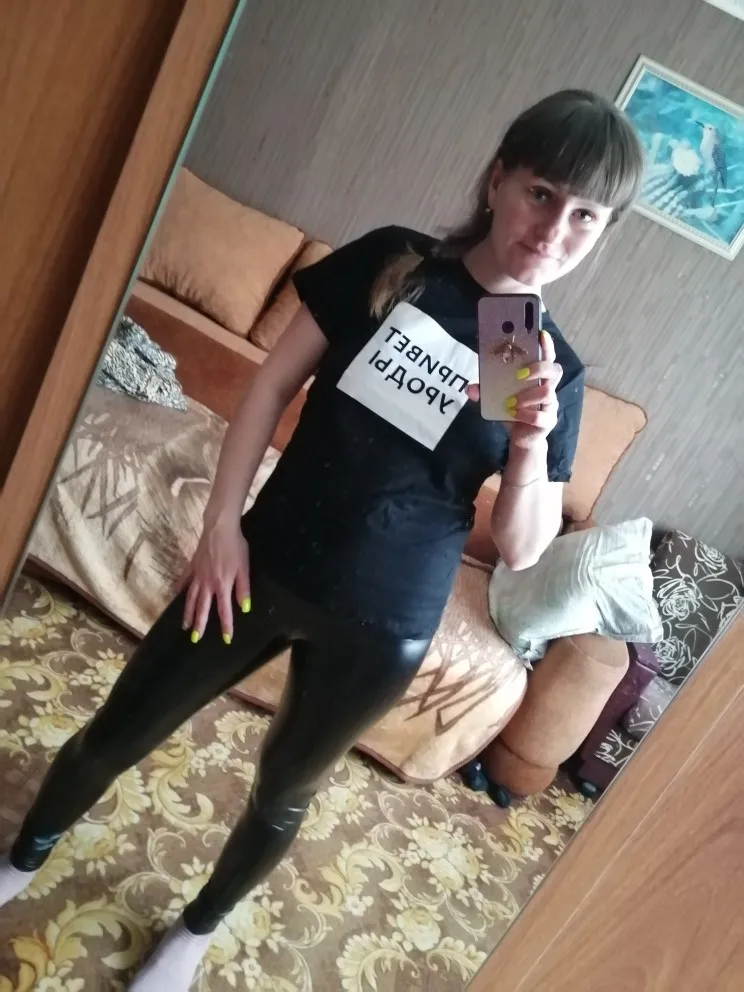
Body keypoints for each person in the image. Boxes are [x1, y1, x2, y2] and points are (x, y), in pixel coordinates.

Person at [0, 89, 643, 990]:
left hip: (386, 623)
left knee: (283, 791)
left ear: (601, 232)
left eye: (585, 216)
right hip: (259, 563)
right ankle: (23, 857)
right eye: (542, 193)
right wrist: (221, 525)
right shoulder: (399, 265)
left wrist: (532, 444)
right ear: (499, 180)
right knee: (120, 728)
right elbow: (269, 388)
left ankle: (192, 935)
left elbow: (523, 546)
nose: (554, 230)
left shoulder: (529, 355)